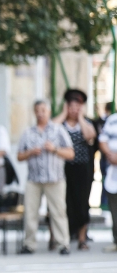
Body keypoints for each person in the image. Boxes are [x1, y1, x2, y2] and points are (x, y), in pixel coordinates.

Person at [17, 100, 74, 255]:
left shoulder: (58, 130)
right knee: (30, 212)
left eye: (43, 110)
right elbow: (19, 156)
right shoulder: (28, 132)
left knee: (58, 212)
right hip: (34, 179)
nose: (40, 113)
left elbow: (70, 153)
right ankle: (29, 244)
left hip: (55, 178)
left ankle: (63, 243)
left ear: (48, 112)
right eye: (37, 110)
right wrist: (30, 152)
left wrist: (54, 149)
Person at [52, 89, 96, 250]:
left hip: (81, 169)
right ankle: (58, 237)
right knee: (61, 202)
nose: (74, 109)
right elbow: (51, 129)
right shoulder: (60, 123)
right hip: (62, 168)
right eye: (71, 106)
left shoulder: (87, 123)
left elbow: (90, 136)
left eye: (78, 106)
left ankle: (82, 238)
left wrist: (81, 118)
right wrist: (64, 114)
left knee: (82, 203)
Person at [100, 107, 117, 252]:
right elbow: (103, 140)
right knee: (114, 209)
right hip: (114, 172)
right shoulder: (112, 120)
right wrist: (110, 155)